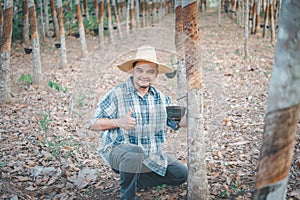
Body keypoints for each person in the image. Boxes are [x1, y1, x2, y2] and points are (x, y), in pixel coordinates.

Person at [89, 45, 188, 200]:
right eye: (140, 70)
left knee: (181, 174)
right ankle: (128, 196)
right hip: (119, 152)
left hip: (151, 154)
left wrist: (193, 111)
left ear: (156, 75)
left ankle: (136, 180)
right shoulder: (118, 93)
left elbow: (179, 122)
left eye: (150, 71)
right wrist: (118, 122)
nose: (144, 75)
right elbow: (93, 124)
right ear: (132, 71)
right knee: (134, 153)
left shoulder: (162, 98)